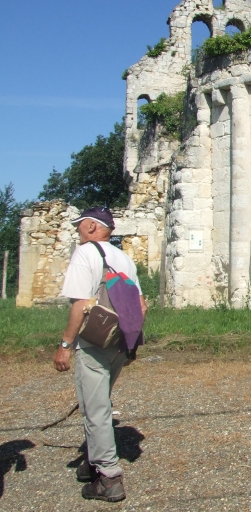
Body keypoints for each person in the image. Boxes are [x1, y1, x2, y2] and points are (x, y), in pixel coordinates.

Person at [53, 207, 147, 503]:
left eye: (80, 225)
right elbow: (141, 305)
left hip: (94, 341)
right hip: (119, 341)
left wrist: (65, 345)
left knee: (95, 410)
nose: (77, 230)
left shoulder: (85, 253)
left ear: (93, 227)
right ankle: (94, 462)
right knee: (99, 403)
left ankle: (108, 476)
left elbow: (81, 305)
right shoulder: (124, 257)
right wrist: (131, 345)